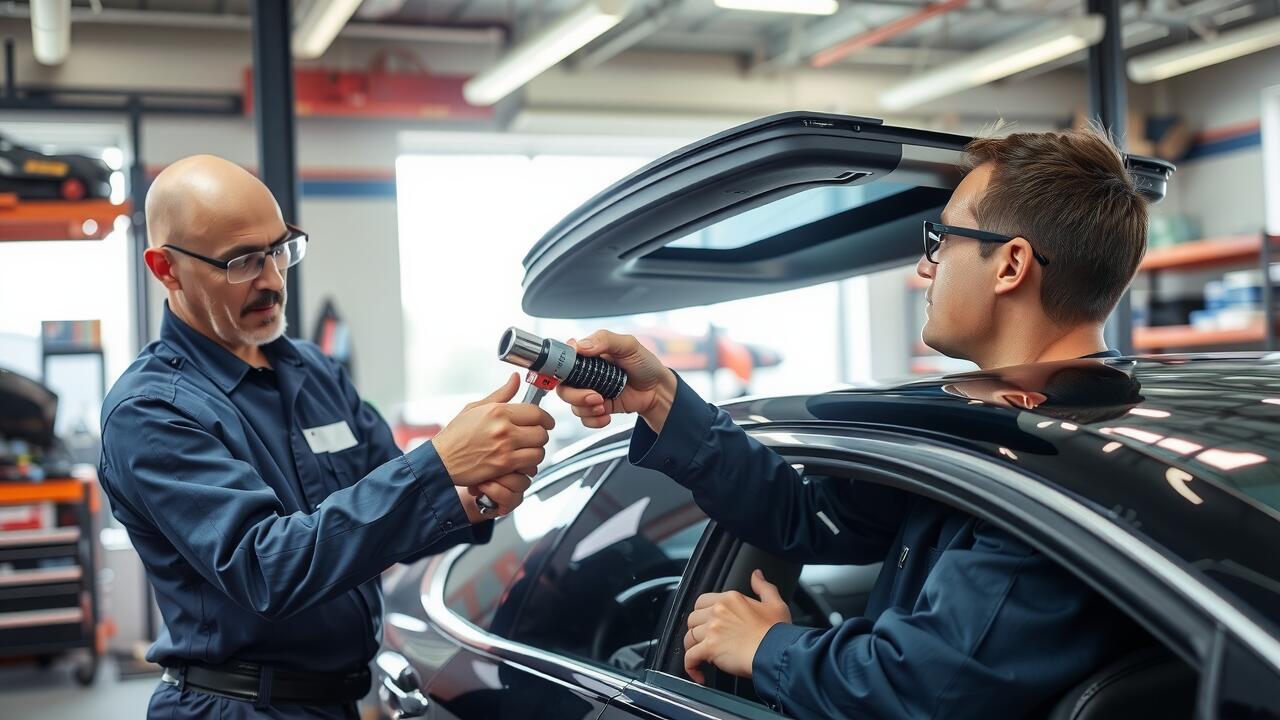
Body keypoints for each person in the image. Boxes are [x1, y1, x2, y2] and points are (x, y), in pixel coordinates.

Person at [558, 128, 1150, 719]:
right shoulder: (996, 427)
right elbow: (812, 514)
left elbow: (924, 690)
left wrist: (768, 649)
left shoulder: (1055, 468)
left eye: (943, 238)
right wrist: (662, 398)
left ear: (1011, 265)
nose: (925, 266)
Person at [99, 155, 553, 719]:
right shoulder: (152, 412)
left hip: (336, 702)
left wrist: (481, 489)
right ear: (165, 268)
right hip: (237, 707)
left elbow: (393, 519)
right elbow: (268, 569)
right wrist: (440, 463)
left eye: (280, 249)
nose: (271, 279)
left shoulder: (315, 373)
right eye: (241, 261)